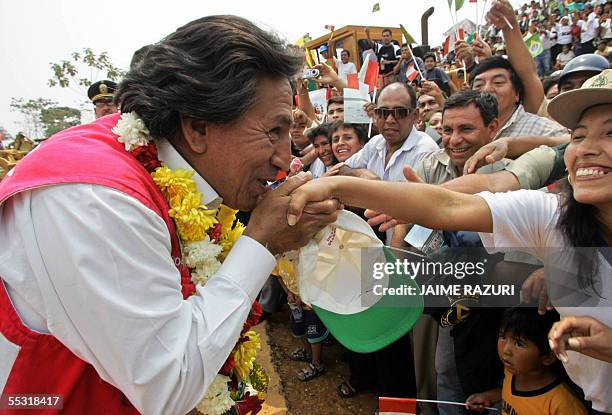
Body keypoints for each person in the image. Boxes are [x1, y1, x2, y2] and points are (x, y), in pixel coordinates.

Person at [0, 16, 340, 415]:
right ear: (198, 128)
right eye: (273, 132)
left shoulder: (171, 171)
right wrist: (262, 240)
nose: (286, 158)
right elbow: (167, 384)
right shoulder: (97, 200)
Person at [287, 69, 612, 414]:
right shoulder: (553, 216)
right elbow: (450, 205)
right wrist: (338, 187)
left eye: (609, 133)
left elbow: (504, 180)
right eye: (579, 137)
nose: (588, 149)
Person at [466, 307, 587, 415]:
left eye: (519, 344)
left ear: (548, 356)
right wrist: (489, 397)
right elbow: (513, 396)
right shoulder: (511, 372)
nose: (506, 350)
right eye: (503, 337)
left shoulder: (561, 404)